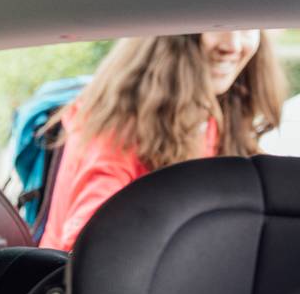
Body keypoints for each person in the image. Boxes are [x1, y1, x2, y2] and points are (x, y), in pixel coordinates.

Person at [38, 31, 286, 251]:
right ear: (171, 36)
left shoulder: (216, 115)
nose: (232, 44)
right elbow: (89, 244)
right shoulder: (118, 124)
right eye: (216, 23)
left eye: (246, 26)